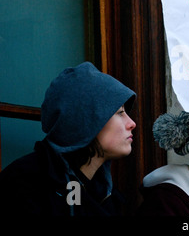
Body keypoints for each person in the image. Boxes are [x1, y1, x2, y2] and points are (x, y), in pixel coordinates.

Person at [0, 62, 136, 216]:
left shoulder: (103, 194)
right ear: (86, 119)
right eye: (119, 112)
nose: (132, 123)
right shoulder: (26, 184)